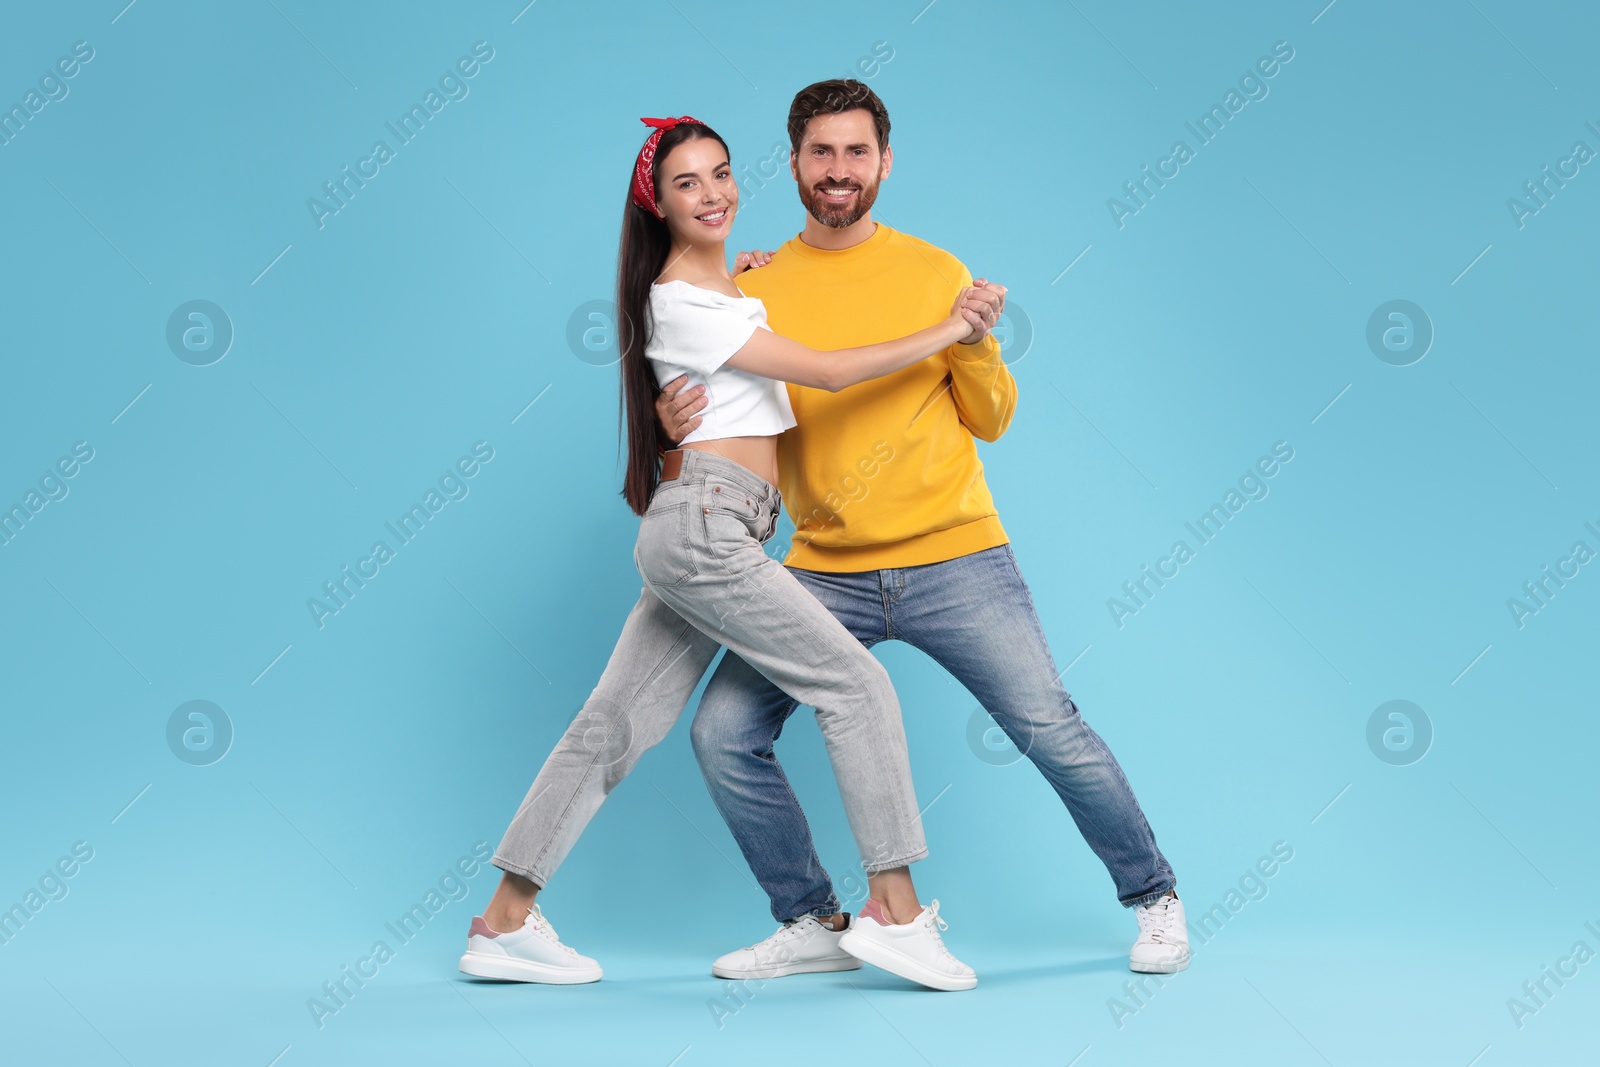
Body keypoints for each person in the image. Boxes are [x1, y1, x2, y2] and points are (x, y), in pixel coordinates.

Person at [656, 80, 1189, 980]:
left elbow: (993, 418)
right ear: (791, 164)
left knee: (1048, 725)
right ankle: (813, 922)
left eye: (856, 152)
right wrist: (678, 424)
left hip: (955, 557)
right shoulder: (754, 288)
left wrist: (972, 340)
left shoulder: (937, 270)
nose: (838, 170)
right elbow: (736, 417)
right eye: (820, 152)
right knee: (722, 732)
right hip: (822, 570)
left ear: (885, 162)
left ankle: (1156, 897)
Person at [459, 115, 1004, 991]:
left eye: (720, 174)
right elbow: (825, 372)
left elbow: (731, 366)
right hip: (708, 527)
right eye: (687, 184)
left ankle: (503, 925)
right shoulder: (680, 298)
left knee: (613, 724)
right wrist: (952, 332)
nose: (712, 194)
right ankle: (897, 915)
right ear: (659, 206)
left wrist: (749, 273)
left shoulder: (722, 292)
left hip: (711, 522)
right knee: (855, 686)